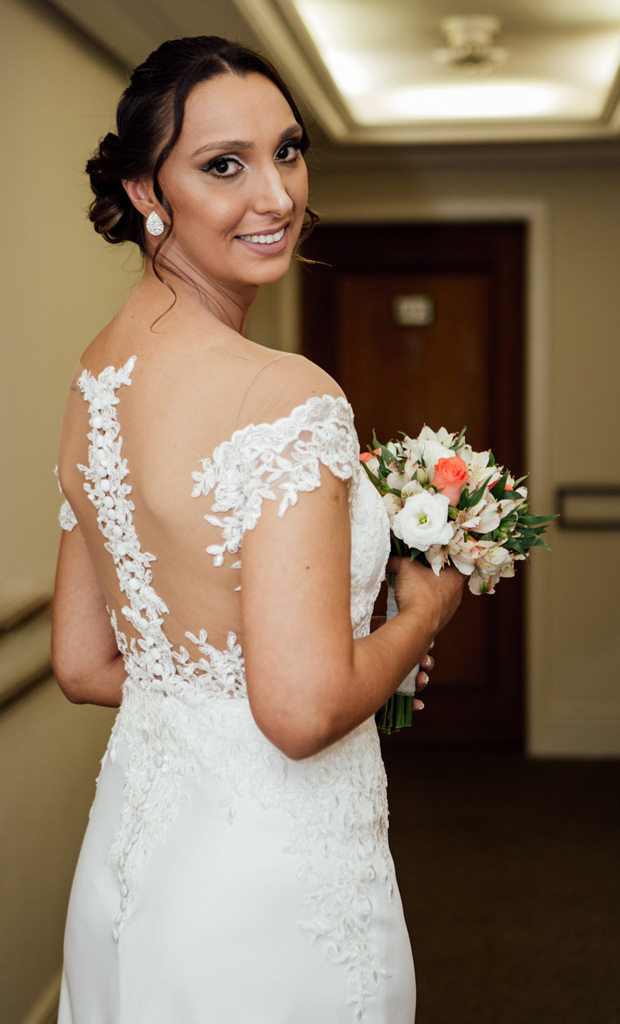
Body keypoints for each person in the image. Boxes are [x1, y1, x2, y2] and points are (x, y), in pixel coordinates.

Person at [51, 36, 464, 1023]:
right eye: (223, 165)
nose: (276, 196)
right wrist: (423, 612)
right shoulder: (284, 394)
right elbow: (300, 710)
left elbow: (82, 661)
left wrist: (274, 671)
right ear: (145, 190)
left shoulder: (94, 377)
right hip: (267, 885)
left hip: (133, 863)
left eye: (287, 150)